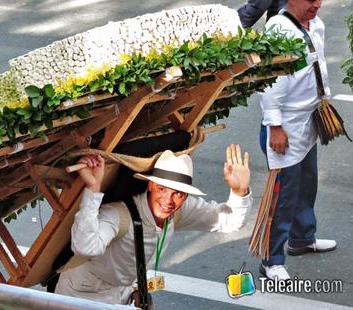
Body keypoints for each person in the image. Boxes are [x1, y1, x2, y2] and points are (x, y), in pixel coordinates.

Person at [54, 144, 252, 305]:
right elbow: (84, 247)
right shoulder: (118, 215)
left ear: (185, 197)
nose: (169, 200)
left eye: (178, 193)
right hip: (81, 295)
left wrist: (240, 192)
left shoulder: (178, 210)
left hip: (121, 295)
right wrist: (93, 189)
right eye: (162, 189)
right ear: (150, 185)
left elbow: (230, 221)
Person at [259, 0, 336, 281]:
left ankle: (302, 238)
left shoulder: (317, 25)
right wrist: (275, 127)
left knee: (306, 184)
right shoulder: (279, 30)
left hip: (308, 121)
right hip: (286, 127)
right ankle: (272, 260)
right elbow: (269, 83)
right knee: (283, 197)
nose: (317, 4)